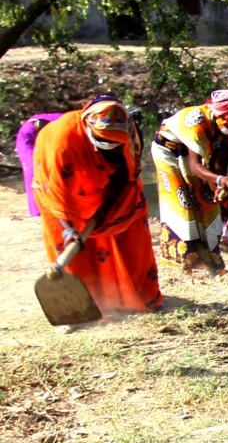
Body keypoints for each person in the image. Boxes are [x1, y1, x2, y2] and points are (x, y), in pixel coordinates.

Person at [31, 97, 162, 313]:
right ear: (89, 130)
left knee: (132, 234)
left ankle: (138, 295)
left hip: (108, 187)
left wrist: (104, 211)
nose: (110, 149)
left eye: (115, 144)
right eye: (104, 144)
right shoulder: (61, 144)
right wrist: (69, 231)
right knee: (72, 250)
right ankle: (76, 307)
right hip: (60, 190)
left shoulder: (129, 132)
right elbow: (57, 193)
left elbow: (125, 173)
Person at [152, 89, 228, 277]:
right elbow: (195, 166)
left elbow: (223, 157)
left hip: (199, 154)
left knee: (208, 202)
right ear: (220, 116)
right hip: (169, 152)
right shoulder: (196, 123)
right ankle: (189, 261)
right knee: (185, 203)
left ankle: (212, 261)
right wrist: (219, 179)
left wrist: (219, 184)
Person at [16, 112, 64, 218]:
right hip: (29, 137)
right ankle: (36, 210)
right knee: (33, 171)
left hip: (45, 139)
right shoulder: (66, 122)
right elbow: (40, 126)